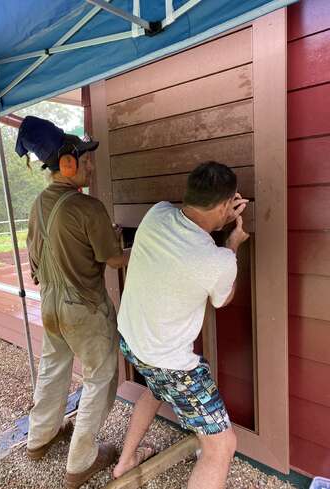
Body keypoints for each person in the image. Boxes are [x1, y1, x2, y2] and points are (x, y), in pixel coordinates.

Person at [114, 161, 249, 489]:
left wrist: (217, 217)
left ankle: (125, 463)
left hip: (132, 341)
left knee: (156, 388)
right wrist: (233, 243)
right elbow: (222, 299)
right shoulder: (217, 260)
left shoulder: (157, 213)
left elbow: (187, 231)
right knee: (222, 445)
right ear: (223, 206)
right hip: (171, 362)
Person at [15, 116, 129, 489]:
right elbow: (112, 260)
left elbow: (34, 260)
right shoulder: (87, 207)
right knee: (100, 378)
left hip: (49, 304)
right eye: (86, 158)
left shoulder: (37, 205)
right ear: (68, 163)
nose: (91, 165)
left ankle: (40, 438)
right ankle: (81, 460)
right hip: (84, 309)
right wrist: (132, 248)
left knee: (53, 371)